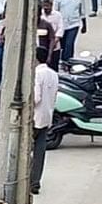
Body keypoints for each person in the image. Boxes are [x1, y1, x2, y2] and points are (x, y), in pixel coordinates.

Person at [32, 47, 58, 195]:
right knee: (40, 151)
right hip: (47, 115)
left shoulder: (37, 74)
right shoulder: (53, 74)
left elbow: (36, 98)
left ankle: (28, 179)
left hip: (34, 117)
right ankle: (36, 182)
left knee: (26, 150)